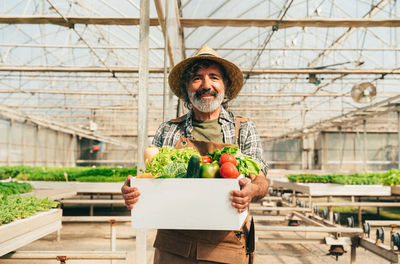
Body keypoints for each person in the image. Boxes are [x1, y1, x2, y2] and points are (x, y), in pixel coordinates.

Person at [121, 45, 269, 264]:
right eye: (197, 78)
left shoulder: (243, 128)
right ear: (187, 87)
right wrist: (134, 189)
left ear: (225, 85)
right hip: (173, 246)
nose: (206, 85)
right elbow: (151, 176)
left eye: (214, 77)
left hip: (226, 246)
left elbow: (262, 180)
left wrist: (252, 190)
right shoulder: (169, 129)